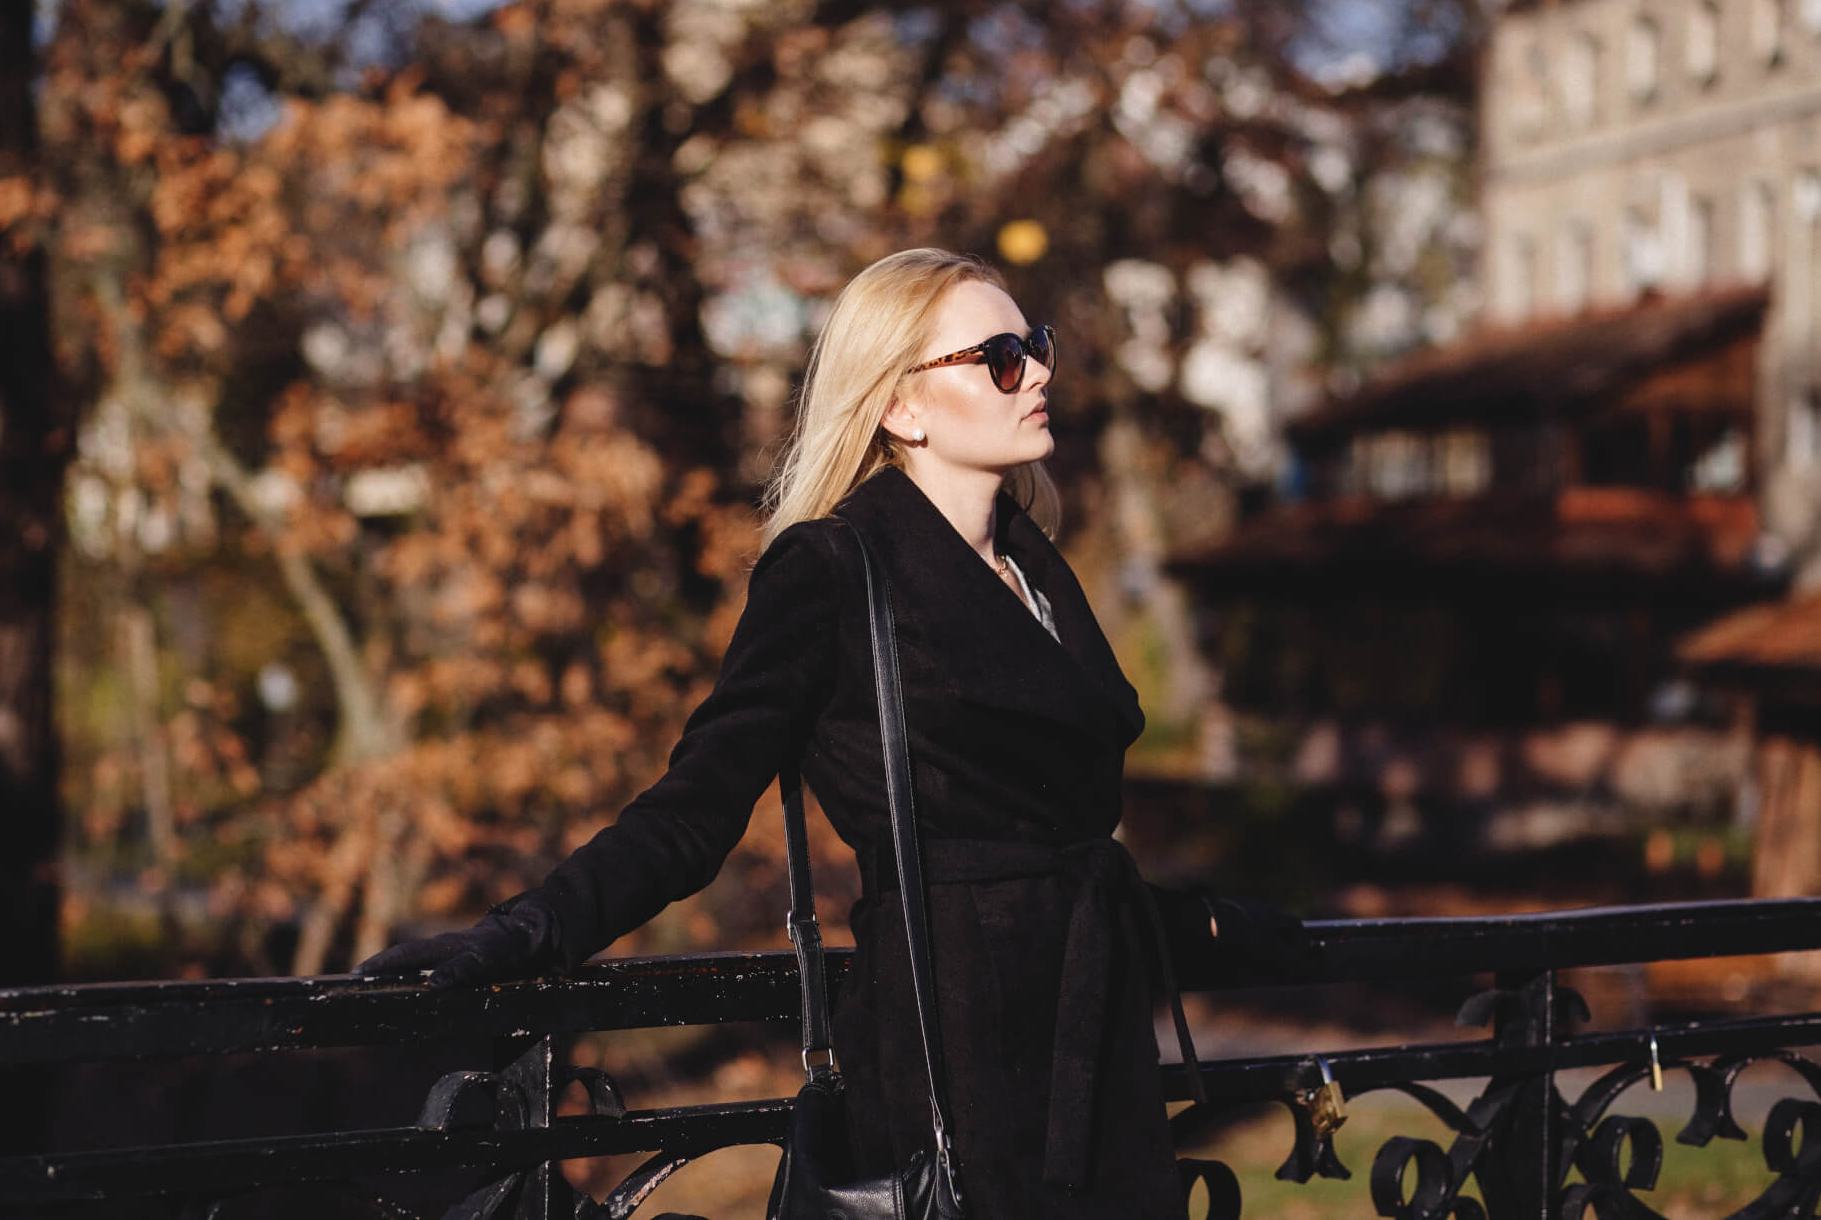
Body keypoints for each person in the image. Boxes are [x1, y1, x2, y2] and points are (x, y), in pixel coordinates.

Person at [360, 247, 1233, 1218]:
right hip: (953, 1047)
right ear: (900, 407)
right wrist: (528, 928)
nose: (1035, 374)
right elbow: (695, 806)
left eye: (1034, 344)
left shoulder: (1033, 567)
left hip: (1094, 1030)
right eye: (995, 356)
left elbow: (1046, 835)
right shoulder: (831, 569)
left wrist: (1199, 920)